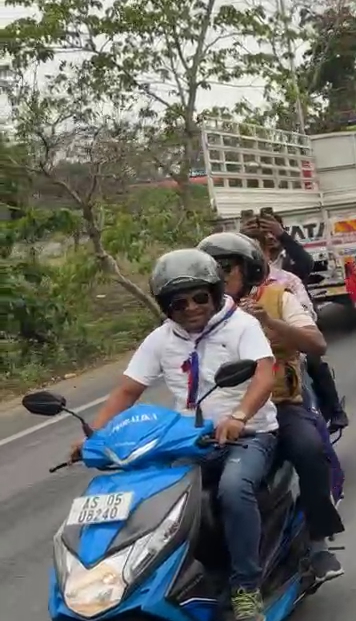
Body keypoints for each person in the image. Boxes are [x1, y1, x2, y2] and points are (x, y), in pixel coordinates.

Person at [74, 249, 277, 620]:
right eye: (178, 303)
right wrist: (94, 436)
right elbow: (127, 390)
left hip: (249, 435)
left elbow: (264, 375)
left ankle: (246, 587)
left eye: (199, 297)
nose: (191, 308)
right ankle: (164, 579)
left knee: (233, 490)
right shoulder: (161, 339)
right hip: (190, 440)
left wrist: (239, 415)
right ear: (167, 307)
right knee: (156, 498)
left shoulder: (242, 326)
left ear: (214, 294)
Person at [197, 232, 346, 585]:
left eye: (226, 268)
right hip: (221, 413)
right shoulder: (197, 311)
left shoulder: (279, 298)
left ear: (247, 269)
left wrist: (270, 322)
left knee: (310, 450)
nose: (218, 276)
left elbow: (317, 345)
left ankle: (318, 544)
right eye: (211, 269)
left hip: (280, 404)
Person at [241, 221, 349, 431]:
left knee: (313, 364)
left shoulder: (286, 281)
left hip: (286, 356)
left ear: (265, 252)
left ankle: (333, 412)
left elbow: (307, 322)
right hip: (246, 364)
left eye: (254, 253)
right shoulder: (226, 293)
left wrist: (278, 325)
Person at [243, 213, 314, 282]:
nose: (270, 237)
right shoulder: (254, 261)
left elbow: (307, 264)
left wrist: (282, 235)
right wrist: (242, 238)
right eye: (265, 233)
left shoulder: (292, 258)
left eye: (273, 232)